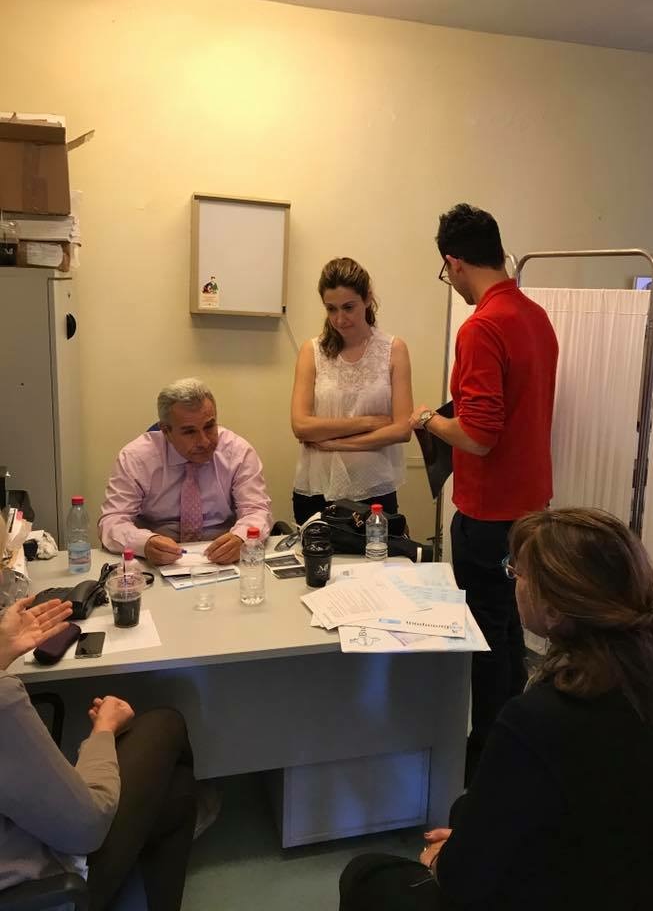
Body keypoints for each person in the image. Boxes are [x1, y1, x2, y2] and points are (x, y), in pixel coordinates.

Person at [339, 508, 653, 911]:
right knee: (464, 810)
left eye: (516, 573)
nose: (513, 581)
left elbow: (464, 881)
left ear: (553, 610)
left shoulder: (537, 718)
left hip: (580, 888)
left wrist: (444, 860)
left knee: (367, 874)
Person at [410, 204, 558, 780]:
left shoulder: (481, 327)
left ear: (454, 263)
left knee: (486, 638)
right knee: (511, 632)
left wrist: (430, 420)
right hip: (531, 508)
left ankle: (486, 763)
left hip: (488, 514)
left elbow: (477, 435)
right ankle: (513, 747)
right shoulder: (536, 317)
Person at [0, 594, 198, 911]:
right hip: (40, 884)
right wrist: (103, 732)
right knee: (166, 726)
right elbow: (85, 828)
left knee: (175, 793)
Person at [291, 257, 413, 525]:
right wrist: (369, 423)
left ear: (367, 298)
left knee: (378, 552)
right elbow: (301, 426)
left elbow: (402, 430)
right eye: (331, 309)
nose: (340, 319)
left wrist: (335, 443)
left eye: (348, 307)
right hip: (317, 487)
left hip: (374, 489)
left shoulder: (394, 349)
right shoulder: (312, 351)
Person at [99, 377, 272, 566]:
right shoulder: (137, 458)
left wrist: (241, 538)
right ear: (166, 431)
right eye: (190, 432)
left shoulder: (237, 452)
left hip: (223, 559)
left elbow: (256, 510)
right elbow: (112, 520)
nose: (204, 441)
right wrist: (145, 543)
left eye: (209, 426)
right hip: (156, 562)